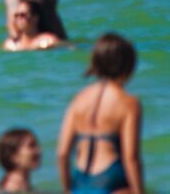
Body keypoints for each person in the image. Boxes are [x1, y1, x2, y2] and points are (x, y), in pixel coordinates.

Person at [57, 32, 144, 194]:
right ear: (128, 66)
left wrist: (68, 189)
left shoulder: (79, 99)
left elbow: (62, 154)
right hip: (111, 180)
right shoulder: (129, 103)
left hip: (80, 180)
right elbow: (131, 158)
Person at [0, 128, 42, 192]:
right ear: (13, 156)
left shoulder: (23, 187)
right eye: (31, 146)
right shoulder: (11, 189)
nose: (39, 151)